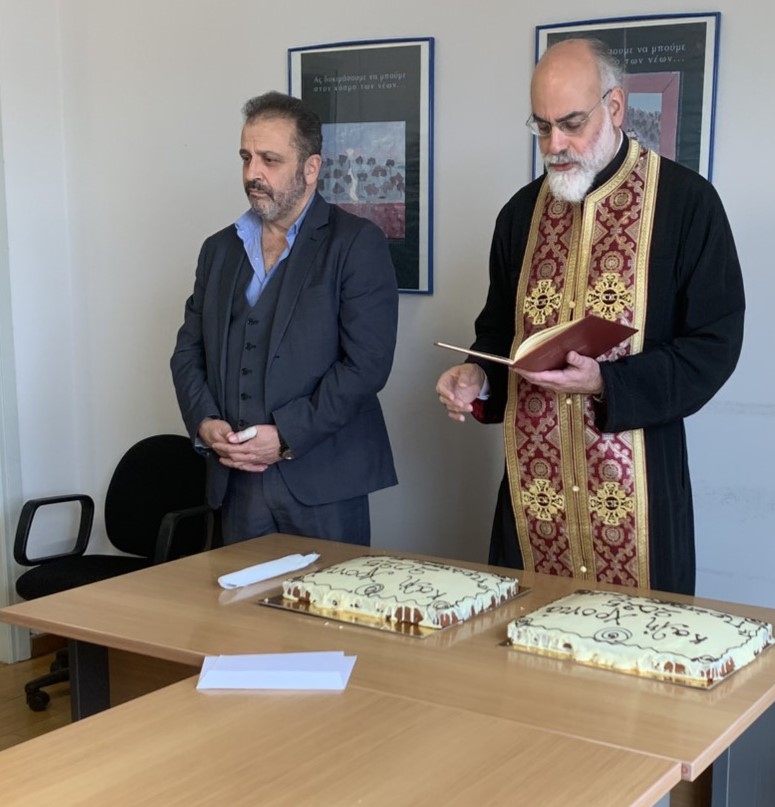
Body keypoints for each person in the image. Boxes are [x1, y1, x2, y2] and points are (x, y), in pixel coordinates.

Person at [436, 39, 744, 595]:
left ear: (615, 107)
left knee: (641, 641)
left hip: (638, 495)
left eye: (572, 124)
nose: (555, 145)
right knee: (523, 636)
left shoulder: (686, 204)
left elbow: (713, 345)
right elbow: (498, 331)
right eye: (542, 127)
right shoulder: (519, 215)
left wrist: (606, 382)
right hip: (534, 497)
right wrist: (476, 375)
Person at [171, 91, 398, 546]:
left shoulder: (356, 243)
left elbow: (366, 365)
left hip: (325, 482)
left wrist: (287, 436)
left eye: (270, 160)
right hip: (236, 483)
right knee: (238, 595)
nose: (252, 173)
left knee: (329, 595)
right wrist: (205, 422)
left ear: (311, 168)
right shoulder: (218, 250)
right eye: (246, 157)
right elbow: (188, 351)